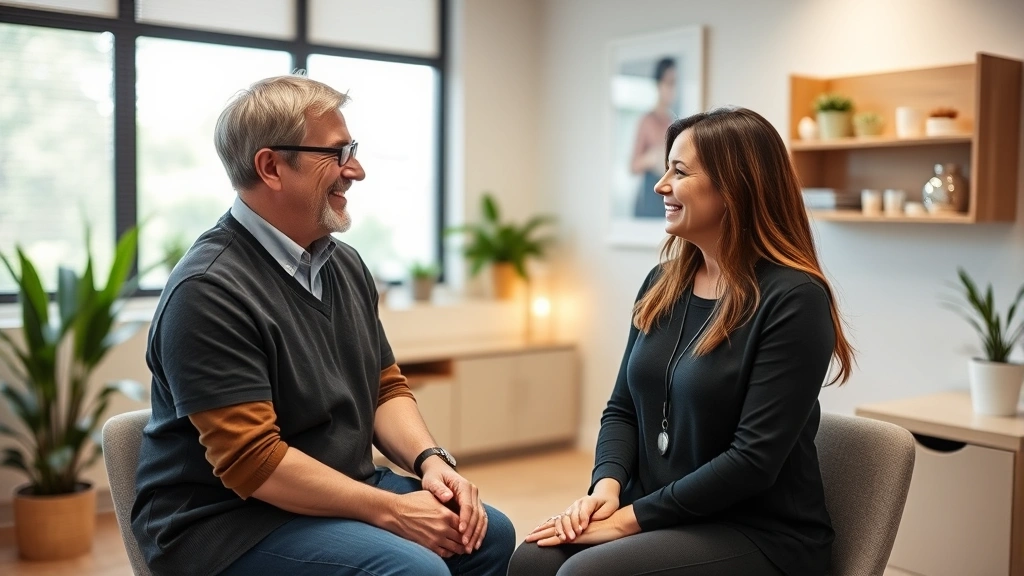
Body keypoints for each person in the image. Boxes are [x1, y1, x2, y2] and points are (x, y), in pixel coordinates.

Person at [132, 74, 515, 576]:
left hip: (336, 489)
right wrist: (395, 510)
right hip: (227, 523)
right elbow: (254, 462)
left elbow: (383, 387)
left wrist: (431, 461)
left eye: (351, 150)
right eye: (336, 153)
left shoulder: (345, 264)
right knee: (413, 570)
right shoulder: (208, 289)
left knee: (488, 535)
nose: (355, 170)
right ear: (271, 167)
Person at [508, 107, 854, 576]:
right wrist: (606, 488)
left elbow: (752, 461)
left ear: (735, 188)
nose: (660, 185)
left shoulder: (794, 299)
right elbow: (622, 409)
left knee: (584, 574)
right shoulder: (662, 283)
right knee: (532, 561)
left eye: (680, 171)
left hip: (758, 532)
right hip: (661, 512)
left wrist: (626, 521)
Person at [630, 56, 677, 218]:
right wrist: (652, 157)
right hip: (649, 198)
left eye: (675, 83)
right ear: (658, 84)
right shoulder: (647, 121)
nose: (673, 89)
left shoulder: (673, 122)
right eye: (669, 83)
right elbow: (633, 165)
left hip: (669, 196)